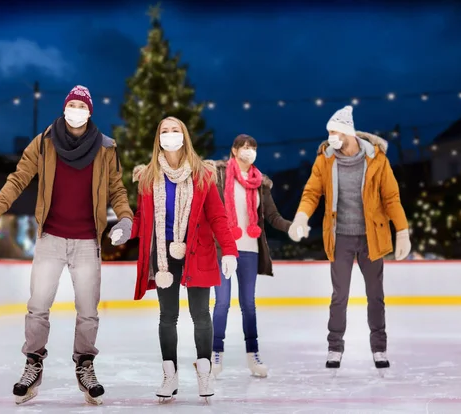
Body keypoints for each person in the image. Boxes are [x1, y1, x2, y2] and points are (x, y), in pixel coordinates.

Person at [0, 85, 134, 405]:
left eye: (82, 105)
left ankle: (85, 365)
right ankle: (33, 363)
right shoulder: (45, 142)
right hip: (51, 238)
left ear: (90, 111)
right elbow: (18, 177)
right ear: (65, 108)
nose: (76, 109)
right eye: (72, 104)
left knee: (88, 312)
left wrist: (126, 218)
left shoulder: (105, 148)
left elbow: (116, 189)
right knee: (38, 307)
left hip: (88, 241)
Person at [287, 105, 411, 373]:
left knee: (375, 295)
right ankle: (335, 347)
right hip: (340, 236)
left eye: (334, 132)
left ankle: (379, 348)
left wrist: (401, 230)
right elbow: (311, 193)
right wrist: (300, 217)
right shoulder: (325, 159)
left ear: (347, 132)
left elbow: (391, 198)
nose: (331, 137)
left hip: (372, 237)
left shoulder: (377, 159)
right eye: (329, 133)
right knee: (339, 295)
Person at [130, 116, 239, 402]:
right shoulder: (148, 176)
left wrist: (228, 249)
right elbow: (142, 218)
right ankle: (170, 375)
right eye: (164, 131)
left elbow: (217, 215)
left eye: (175, 130)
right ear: (158, 139)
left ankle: (204, 372)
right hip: (163, 255)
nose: (170, 135)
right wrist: (124, 229)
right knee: (168, 316)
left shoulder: (202, 174)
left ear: (184, 136)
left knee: (201, 315)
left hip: (196, 251)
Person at [207, 134, 292, 378]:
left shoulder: (260, 183)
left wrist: (290, 226)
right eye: (243, 147)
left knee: (248, 305)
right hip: (224, 249)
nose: (248, 150)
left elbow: (273, 216)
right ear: (233, 151)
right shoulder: (220, 176)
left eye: (252, 147)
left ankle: (253, 356)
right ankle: (215, 354)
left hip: (250, 249)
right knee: (222, 302)